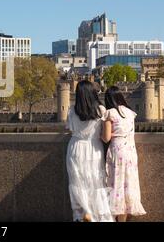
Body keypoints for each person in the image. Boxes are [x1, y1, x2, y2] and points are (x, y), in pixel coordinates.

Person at [66, 81, 113, 222]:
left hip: (75, 148)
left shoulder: (72, 110)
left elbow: (69, 129)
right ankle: (95, 214)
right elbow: (106, 137)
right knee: (96, 182)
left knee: (77, 183)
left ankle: (82, 213)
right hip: (93, 148)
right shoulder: (101, 110)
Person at [101, 86, 146, 222]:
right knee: (128, 186)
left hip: (117, 152)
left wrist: (101, 134)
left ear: (108, 99)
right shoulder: (130, 113)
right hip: (131, 152)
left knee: (116, 186)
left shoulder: (110, 113)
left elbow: (106, 137)